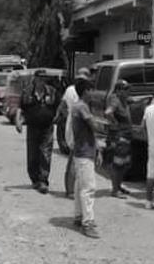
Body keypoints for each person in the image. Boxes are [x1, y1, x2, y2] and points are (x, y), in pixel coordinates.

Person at [69, 74, 104, 238]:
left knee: (79, 186)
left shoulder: (79, 106)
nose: (94, 93)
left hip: (82, 150)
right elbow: (94, 126)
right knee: (88, 188)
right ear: (86, 91)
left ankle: (79, 215)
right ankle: (87, 222)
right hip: (84, 151)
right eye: (91, 90)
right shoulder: (82, 107)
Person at [19, 69, 60, 194]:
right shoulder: (27, 92)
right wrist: (18, 122)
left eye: (44, 78)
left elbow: (59, 106)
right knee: (32, 154)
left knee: (45, 153)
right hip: (32, 127)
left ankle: (43, 180)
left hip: (47, 127)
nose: (42, 81)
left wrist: (56, 117)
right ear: (35, 79)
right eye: (40, 78)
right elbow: (21, 108)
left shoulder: (52, 92)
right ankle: (34, 179)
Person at [59, 68, 92, 198]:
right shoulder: (82, 92)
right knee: (74, 159)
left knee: (73, 158)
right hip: (78, 125)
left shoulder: (69, 90)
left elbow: (62, 107)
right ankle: (71, 190)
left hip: (71, 123)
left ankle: (71, 188)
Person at [105, 80, 134, 198]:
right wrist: (115, 122)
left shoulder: (124, 100)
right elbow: (108, 112)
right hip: (119, 136)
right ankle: (115, 190)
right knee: (118, 164)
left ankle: (118, 186)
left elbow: (133, 100)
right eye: (125, 89)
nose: (128, 92)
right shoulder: (115, 100)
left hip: (125, 136)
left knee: (125, 163)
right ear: (118, 90)